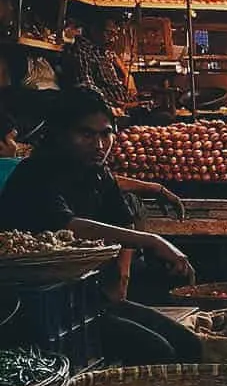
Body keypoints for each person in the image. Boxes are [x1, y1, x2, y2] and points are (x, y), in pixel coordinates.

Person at [0, 89, 200, 362]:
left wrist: (121, 277)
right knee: (157, 351)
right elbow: (69, 226)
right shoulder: (35, 174)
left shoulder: (97, 173)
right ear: (60, 134)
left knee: (188, 344)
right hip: (35, 307)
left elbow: (121, 219)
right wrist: (153, 241)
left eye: (106, 133)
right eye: (86, 134)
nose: (99, 144)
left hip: (85, 298)